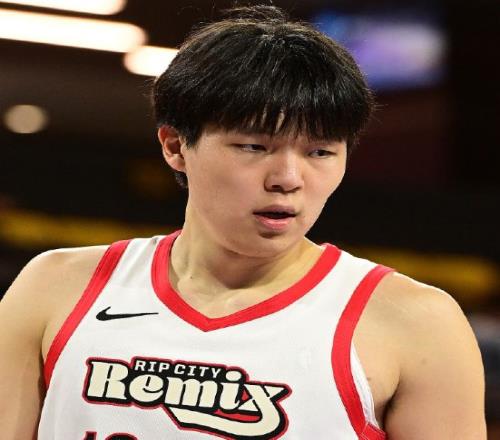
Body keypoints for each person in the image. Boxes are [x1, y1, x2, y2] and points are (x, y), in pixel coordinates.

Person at [0, 5, 486, 440]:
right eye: (255, 147)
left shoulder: (416, 323)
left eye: (320, 152)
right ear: (175, 146)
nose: (288, 178)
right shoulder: (55, 287)